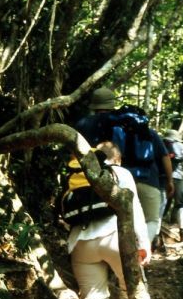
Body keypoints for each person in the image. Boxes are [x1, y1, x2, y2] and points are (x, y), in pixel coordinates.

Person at [68, 141, 151, 299]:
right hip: (112, 237)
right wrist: (143, 244)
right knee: (136, 292)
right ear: (117, 159)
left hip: (80, 243)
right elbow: (133, 208)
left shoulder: (77, 174)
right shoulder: (120, 173)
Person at [75, 87, 174, 244]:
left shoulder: (86, 124)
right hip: (149, 180)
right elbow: (165, 157)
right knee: (151, 220)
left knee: (117, 217)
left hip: (115, 178)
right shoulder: (136, 128)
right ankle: (139, 252)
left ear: (93, 105)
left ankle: (114, 256)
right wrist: (169, 181)